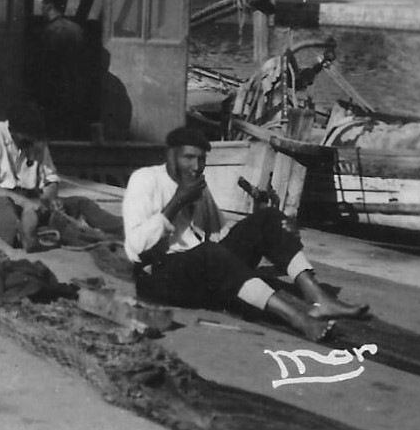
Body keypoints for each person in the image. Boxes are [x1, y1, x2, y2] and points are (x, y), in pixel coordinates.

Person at [124, 127, 369, 341]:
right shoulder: (145, 180)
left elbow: (221, 232)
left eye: (201, 160)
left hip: (204, 270)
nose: (196, 167)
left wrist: (277, 232)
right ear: (171, 155)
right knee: (210, 253)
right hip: (161, 276)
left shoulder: (197, 182)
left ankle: (317, 299)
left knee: (269, 218)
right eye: (189, 158)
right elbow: (136, 249)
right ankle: (297, 318)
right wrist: (177, 202)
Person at [0, 103, 122, 251]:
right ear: (13, 132)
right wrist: (24, 202)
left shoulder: (36, 141)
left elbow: (50, 178)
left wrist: (50, 198)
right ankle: (23, 237)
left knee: (81, 203)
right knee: (4, 207)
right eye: (28, 140)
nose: (32, 146)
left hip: (32, 201)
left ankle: (123, 228)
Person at [35, 0, 90, 135]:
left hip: (53, 92)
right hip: (75, 91)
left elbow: (43, 66)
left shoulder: (49, 32)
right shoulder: (78, 30)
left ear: (49, 6)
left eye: (43, 4)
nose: (41, 8)